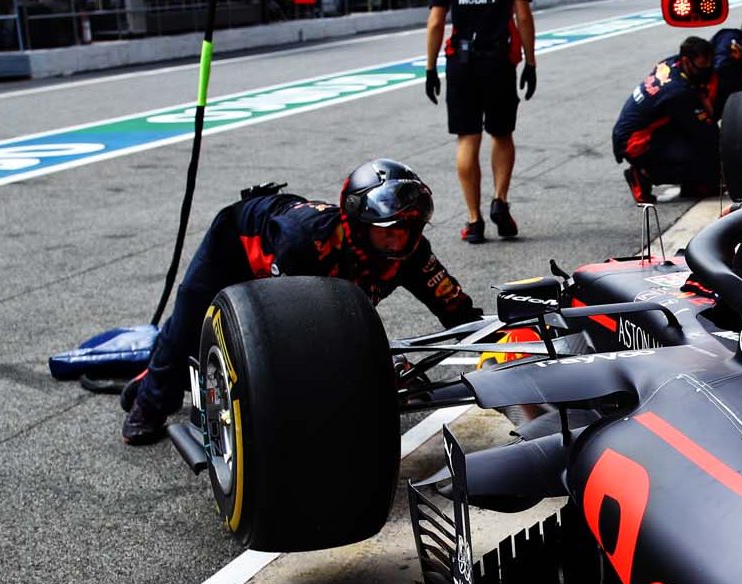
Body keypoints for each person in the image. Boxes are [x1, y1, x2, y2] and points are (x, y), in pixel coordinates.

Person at [120, 160, 481, 445]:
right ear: (358, 222)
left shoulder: (413, 254)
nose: (401, 240)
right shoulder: (307, 244)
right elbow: (293, 336)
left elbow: (457, 309)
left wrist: (497, 344)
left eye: (411, 227)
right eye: (390, 230)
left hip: (293, 267)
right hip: (235, 245)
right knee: (188, 327)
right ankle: (149, 403)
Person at [424, 0, 536, 244]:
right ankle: (500, 201)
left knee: (467, 138)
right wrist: (530, 62)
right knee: (502, 134)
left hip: (462, 63)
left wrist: (430, 69)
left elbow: (435, 23)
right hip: (498, 62)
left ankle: (474, 221)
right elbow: (523, 17)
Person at [614, 37, 722, 204]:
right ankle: (642, 175)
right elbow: (707, 134)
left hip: (641, 130)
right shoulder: (678, 93)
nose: (707, 70)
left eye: (710, 64)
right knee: (709, 153)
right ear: (687, 60)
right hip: (634, 143)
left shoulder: (670, 63)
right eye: (702, 66)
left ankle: (694, 186)